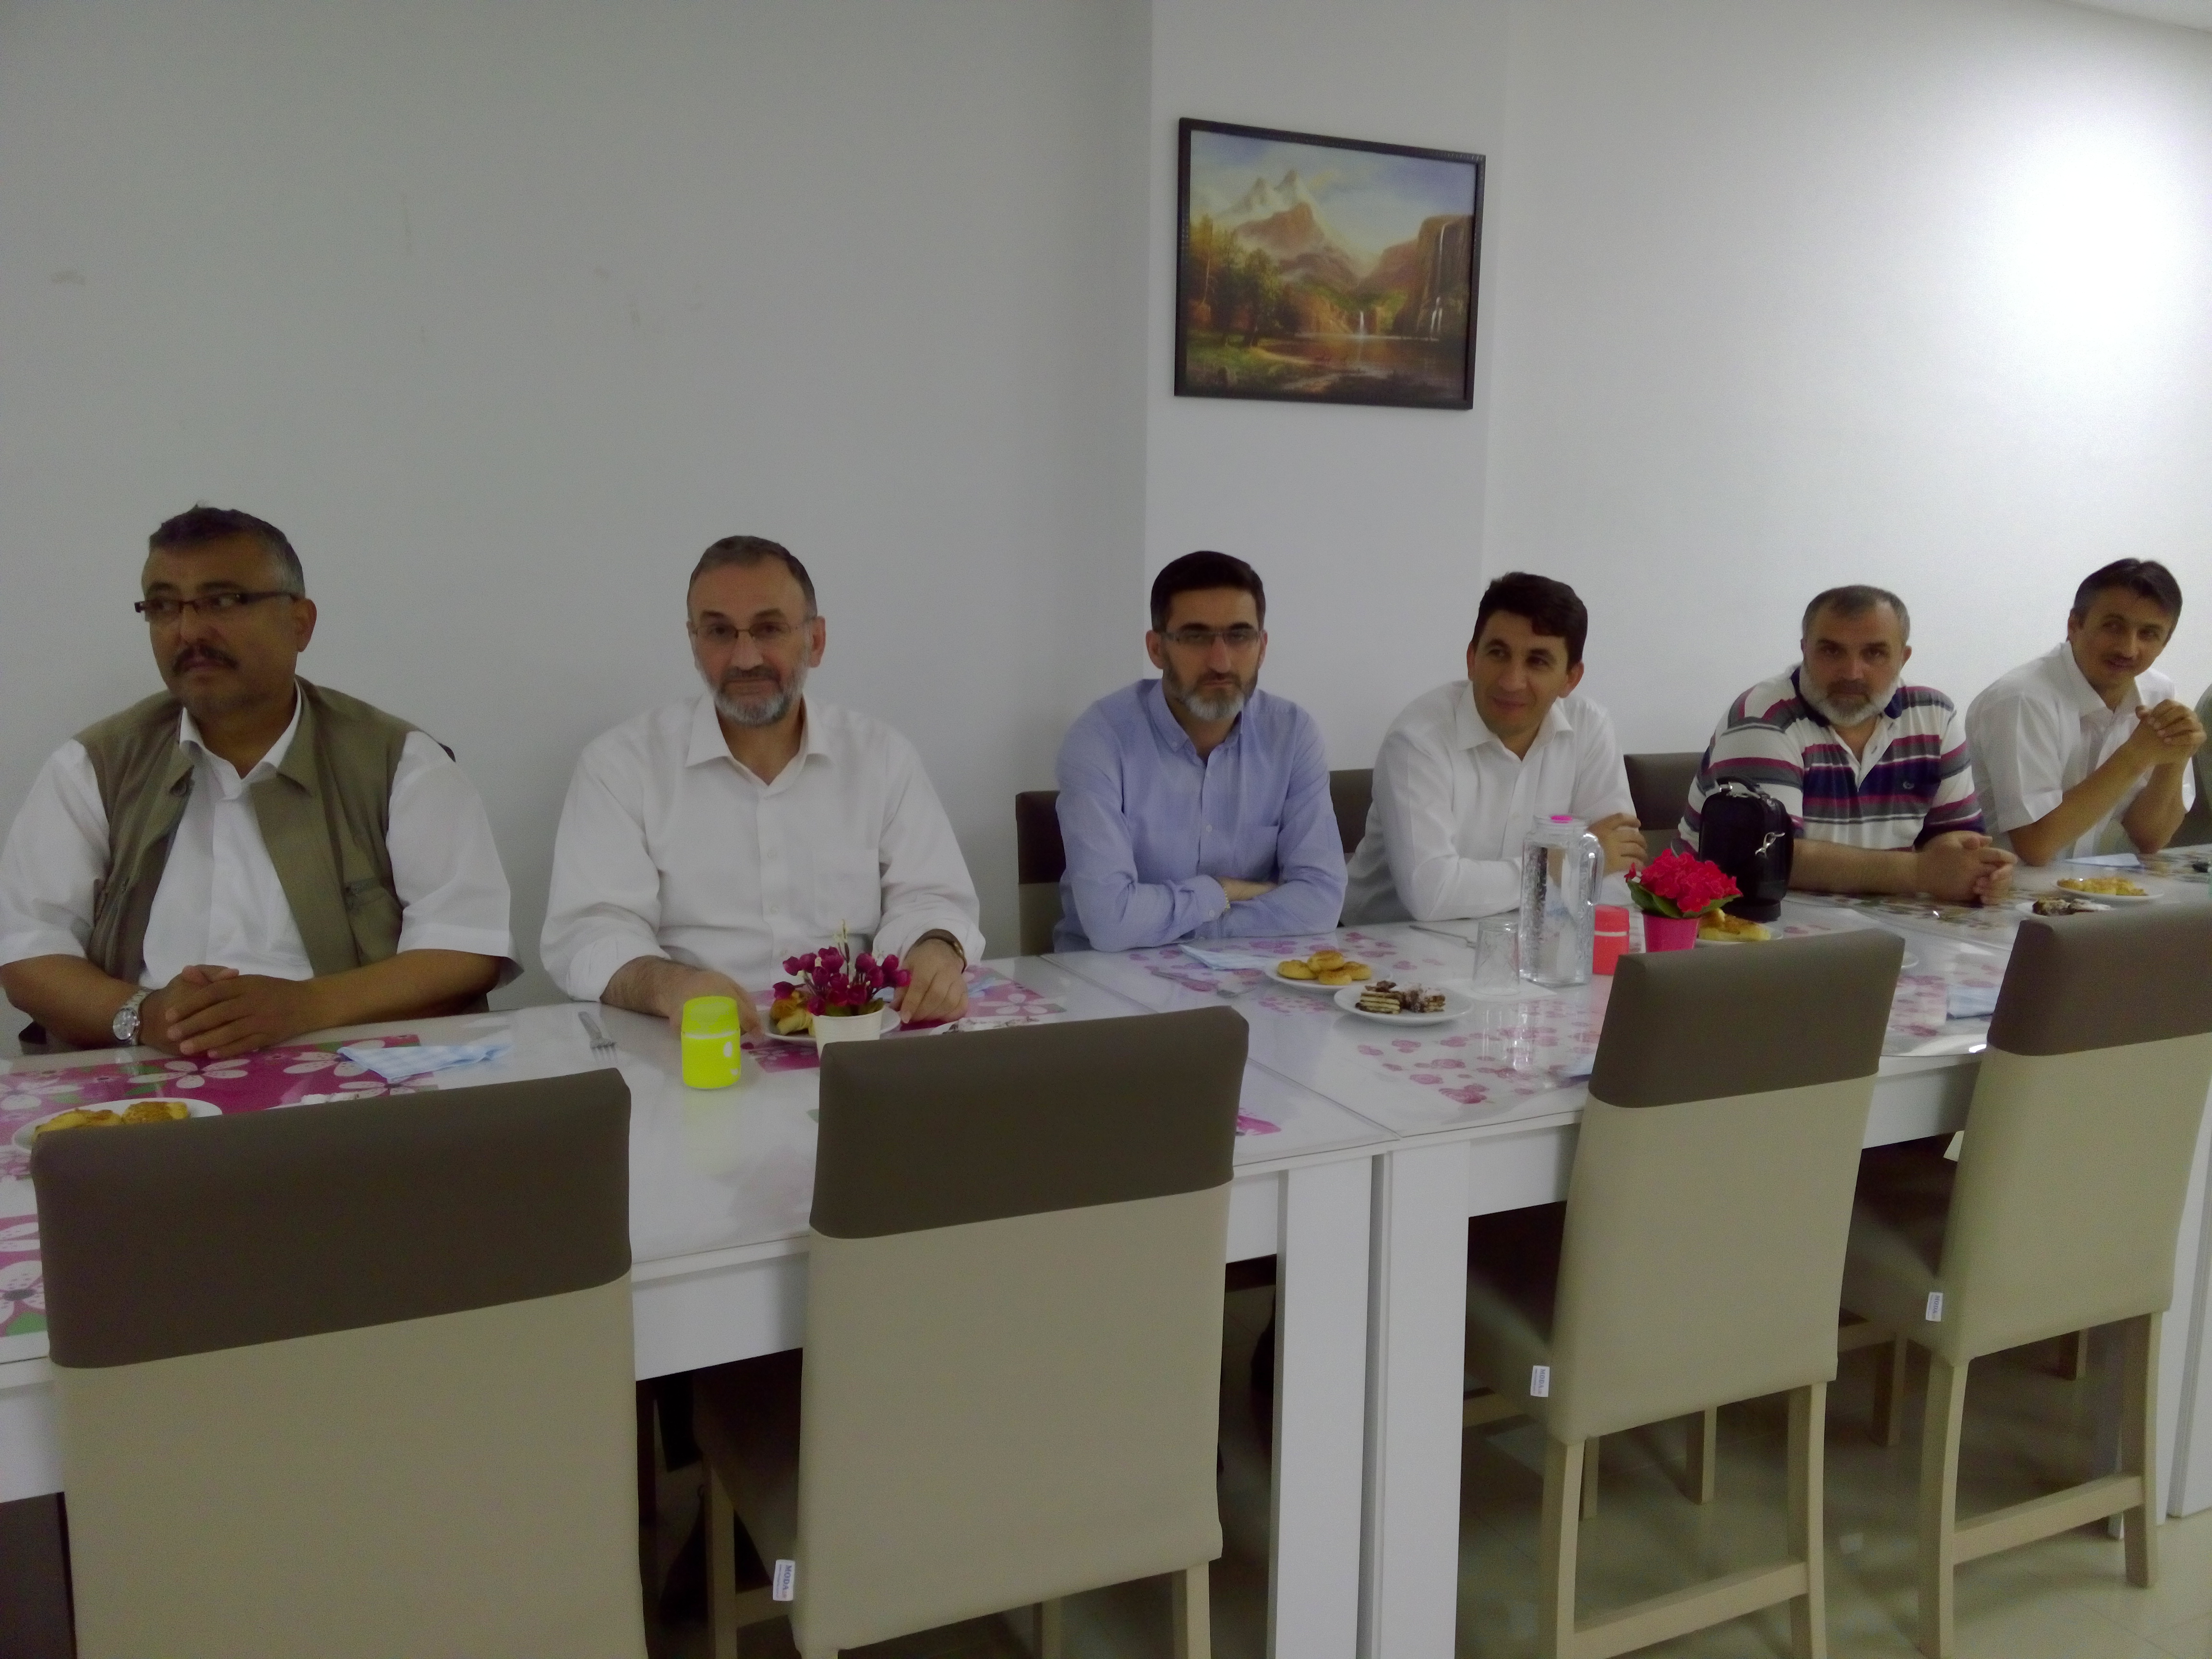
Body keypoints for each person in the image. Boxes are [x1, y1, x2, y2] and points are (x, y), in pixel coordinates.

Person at [0, 507, 515, 1057]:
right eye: (164, 606)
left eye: (224, 601)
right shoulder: (95, 765)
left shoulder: (399, 761)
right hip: (145, 1073)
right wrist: (144, 1015)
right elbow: (28, 951)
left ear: (300, 622)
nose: (189, 631)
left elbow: (466, 946)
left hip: (349, 1066)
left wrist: (306, 1008)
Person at [541, 535, 982, 1034]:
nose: (746, 657)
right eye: (719, 632)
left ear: (816, 641)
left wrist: (934, 946)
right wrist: (672, 986)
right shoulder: (621, 766)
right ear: (694, 644)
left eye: (769, 629)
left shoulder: (880, 758)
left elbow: (931, 897)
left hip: (855, 1037)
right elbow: (589, 932)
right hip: (689, 1042)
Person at [1054, 551, 1344, 951]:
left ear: (1262, 646)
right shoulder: (1101, 739)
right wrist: (1222, 891)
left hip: (1250, 970)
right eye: (1195, 637)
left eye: (1239, 636)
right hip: (1109, 975)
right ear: (1157, 648)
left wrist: (1184, 921)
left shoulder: (1292, 734)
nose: (1220, 662)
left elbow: (1321, 903)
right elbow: (1111, 922)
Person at [1680, 585, 2014, 903]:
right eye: (1831, 651)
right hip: (1735, 922)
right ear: (1804, 650)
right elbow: (1766, 856)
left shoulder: (1934, 716)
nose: (1852, 672)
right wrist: (1921, 873)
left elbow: (1956, 836)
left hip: (1881, 921)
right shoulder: (1764, 716)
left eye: (1875, 653)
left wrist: (1975, 870)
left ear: (1903, 658)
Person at [1344, 572, 1643, 923]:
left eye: (1537, 661)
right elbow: (1431, 894)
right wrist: (1563, 862)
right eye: (1498, 653)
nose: (1511, 681)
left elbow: (1618, 878)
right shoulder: (1418, 740)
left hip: (1528, 940)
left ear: (1570, 678)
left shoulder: (1590, 728)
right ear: (1472, 659)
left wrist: (1574, 868)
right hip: (1379, 943)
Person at [1966, 561, 2202, 864]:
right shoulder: (2022, 699)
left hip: (2084, 883)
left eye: (2149, 634)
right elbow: (2036, 846)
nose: (2128, 649)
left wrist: (2176, 754)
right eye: (2113, 626)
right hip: (1998, 884)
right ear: (2074, 625)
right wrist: (2136, 755)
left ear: (2165, 642)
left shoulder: (2158, 692)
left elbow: (2150, 838)